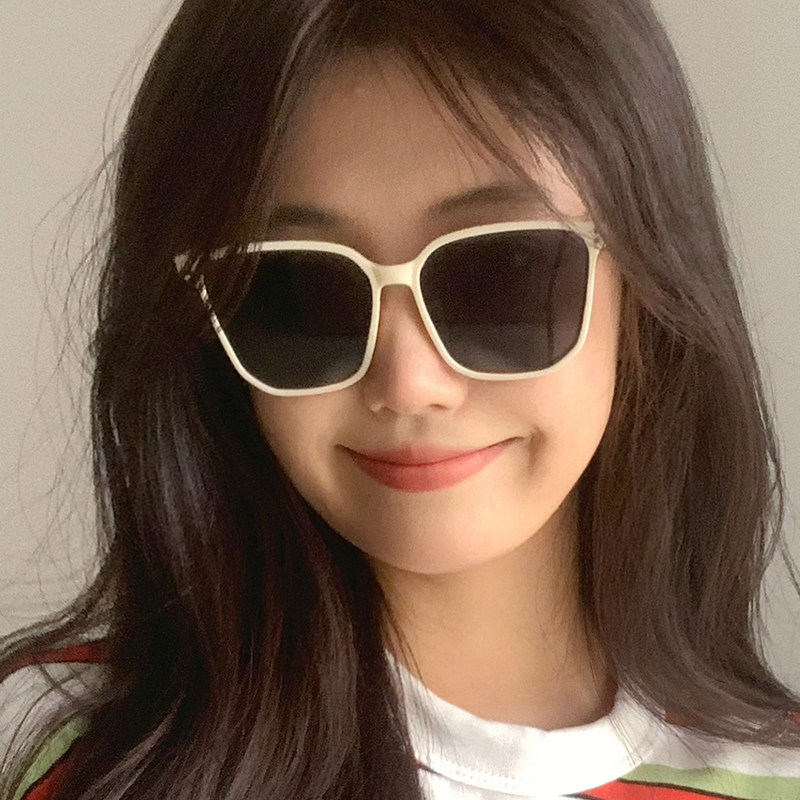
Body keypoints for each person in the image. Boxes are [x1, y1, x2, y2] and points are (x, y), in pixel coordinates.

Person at [1, 0, 799, 798]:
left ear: (648, 285)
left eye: (500, 272)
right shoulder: (70, 756)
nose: (408, 382)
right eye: (301, 290)